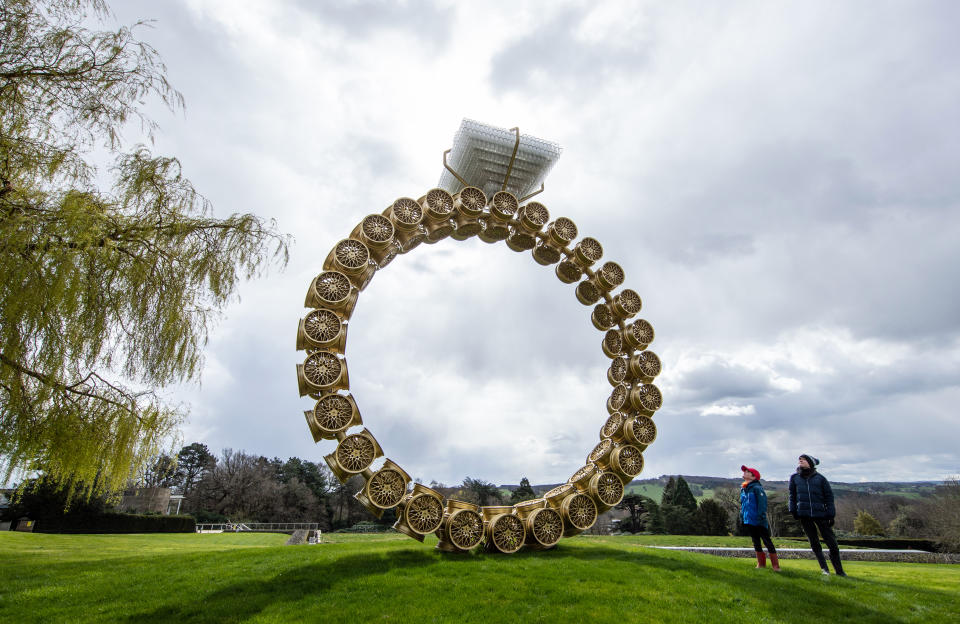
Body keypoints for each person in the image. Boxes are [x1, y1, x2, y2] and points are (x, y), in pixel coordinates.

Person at [789, 454, 846, 577]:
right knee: (814, 543)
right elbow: (792, 496)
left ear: (810, 463)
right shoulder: (794, 478)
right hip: (804, 515)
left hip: (821, 515)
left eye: (803, 459)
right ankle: (824, 569)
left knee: (832, 544)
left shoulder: (820, 479)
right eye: (799, 459)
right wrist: (793, 510)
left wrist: (831, 514)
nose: (800, 461)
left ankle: (839, 571)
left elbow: (829, 497)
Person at [740, 465, 779, 571]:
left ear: (754, 477)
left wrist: (760, 517)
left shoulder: (757, 488)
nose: (744, 472)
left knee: (767, 541)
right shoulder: (743, 489)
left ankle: (775, 566)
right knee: (755, 541)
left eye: (747, 471)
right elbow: (743, 505)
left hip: (758, 520)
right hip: (749, 520)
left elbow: (762, 505)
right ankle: (761, 564)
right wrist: (742, 516)